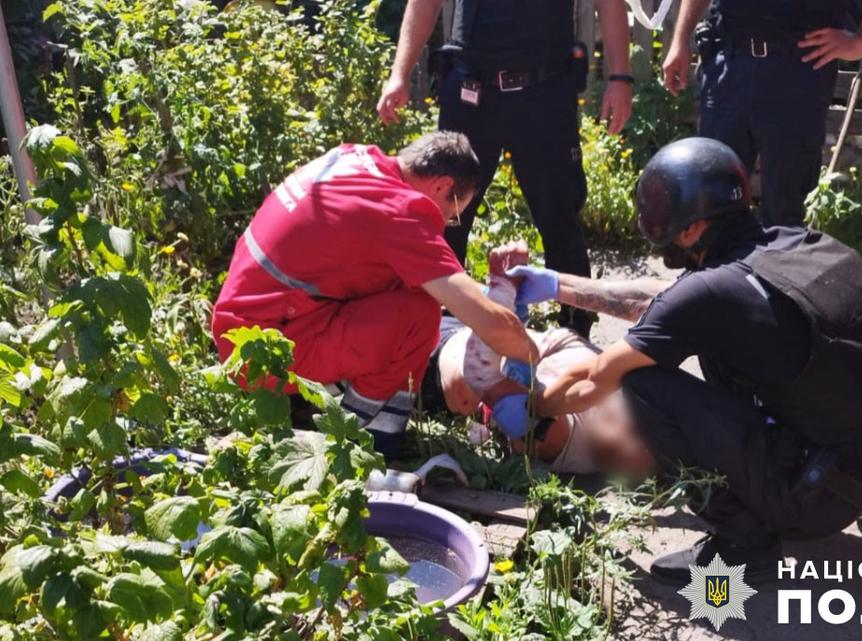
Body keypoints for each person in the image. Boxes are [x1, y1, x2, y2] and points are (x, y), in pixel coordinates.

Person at [507, 137, 862, 585]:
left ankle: (745, 543)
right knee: (700, 352)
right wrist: (554, 284)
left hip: (815, 498)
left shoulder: (712, 293)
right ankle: (774, 486)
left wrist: (531, 407)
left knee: (643, 386)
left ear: (690, 229)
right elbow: (663, 302)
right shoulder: (795, 245)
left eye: (663, 215)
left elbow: (598, 377)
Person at [212, 132, 537, 458]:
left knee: (404, 287)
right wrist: (535, 358)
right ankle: (360, 440)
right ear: (440, 186)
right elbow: (491, 324)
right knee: (419, 316)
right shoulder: (400, 212)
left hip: (246, 331)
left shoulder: (353, 158)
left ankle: (315, 402)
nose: (446, 224)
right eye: (452, 215)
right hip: (264, 354)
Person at [377, 0, 634, 337]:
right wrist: (399, 73)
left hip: (544, 91)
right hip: (471, 91)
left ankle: (576, 332)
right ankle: (432, 334)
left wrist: (620, 77)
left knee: (559, 217)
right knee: (443, 215)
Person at [419, 242, 655, 477]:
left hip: (429, 356)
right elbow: (667, 302)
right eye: (640, 431)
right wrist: (513, 302)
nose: (633, 442)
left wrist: (504, 293)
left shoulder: (565, 440)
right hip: (463, 319)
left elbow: (484, 376)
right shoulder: (619, 381)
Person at [661, 0, 862, 227]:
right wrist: (680, 39)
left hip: (797, 71)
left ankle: (773, 273)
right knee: (712, 200)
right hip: (729, 61)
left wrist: (860, 43)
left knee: (784, 212)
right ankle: (717, 273)